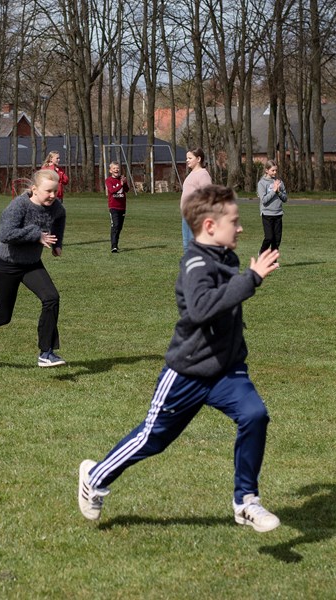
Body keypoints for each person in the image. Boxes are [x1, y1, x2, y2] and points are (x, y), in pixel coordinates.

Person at [78, 184, 282, 533]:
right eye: (235, 221)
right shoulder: (195, 264)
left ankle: (246, 500)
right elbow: (202, 309)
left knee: (255, 415)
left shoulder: (225, 256)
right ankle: (94, 476)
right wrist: (252, 279)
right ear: (209, 226)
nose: (242, 228)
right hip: (187, 371)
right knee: (152, 439)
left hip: (227, 370)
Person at [0, 169, 67, 368]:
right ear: (34, 189)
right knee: (3, 316)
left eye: (55, 191)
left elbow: (60, 218)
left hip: (31, 264)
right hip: (7, 264)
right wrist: (37, 235)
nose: (53, 196)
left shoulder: (55, 206)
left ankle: (46, 352)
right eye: (48, 191)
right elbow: (5, 234)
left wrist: (57, 243)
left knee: (51, 298)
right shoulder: (18, 206)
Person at [180, 147, 213, 250]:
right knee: (187, 245)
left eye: (190, 158)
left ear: (198, 159)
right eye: (187, 158)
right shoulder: (191, 174)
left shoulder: (203, 174)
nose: (187, 160)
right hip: (187, 215)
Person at [257, 159, 287, 254]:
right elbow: (264, 200)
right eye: (273, 170)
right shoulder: (261, 183)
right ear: (267, 170)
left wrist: (278, 192)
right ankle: (261, 253)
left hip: (278, 214)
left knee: (277, 239)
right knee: (269, 237)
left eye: (276, 170)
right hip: (267, 214)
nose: (275, 172)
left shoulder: (279, 182)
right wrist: (273, 191)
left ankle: (274, 261)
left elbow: (285, 198)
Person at [105, 162, 128, 253]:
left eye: (117, 168)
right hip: (113, 206)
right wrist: (120, 184)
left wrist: (125, 183)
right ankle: (113, 246)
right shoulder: (109, 180)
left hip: (122, 207)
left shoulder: (121, 179)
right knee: (115, 225)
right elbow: (112, 190)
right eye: (114, 168)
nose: (116, 170)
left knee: (120, 227)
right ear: (111, 170)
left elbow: (126, 190)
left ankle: (116, 244)